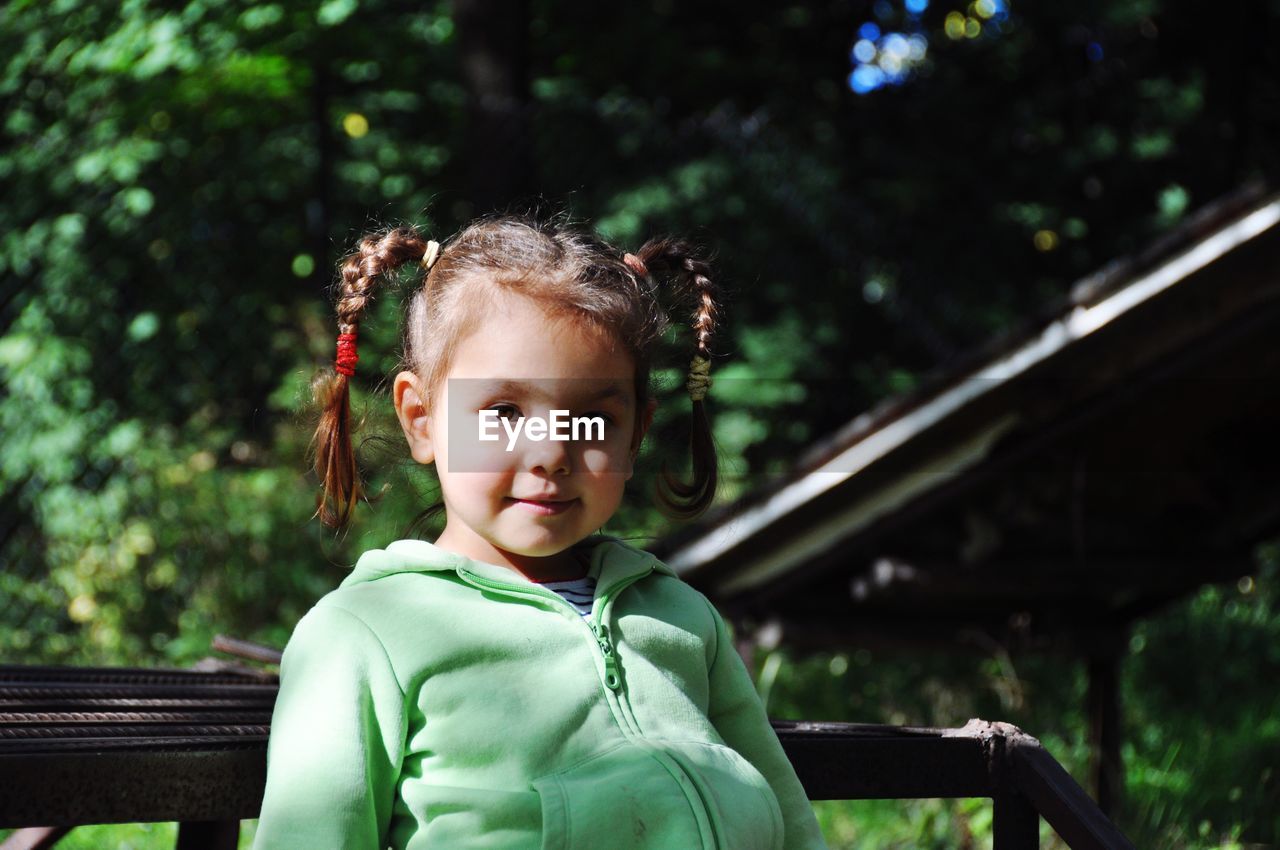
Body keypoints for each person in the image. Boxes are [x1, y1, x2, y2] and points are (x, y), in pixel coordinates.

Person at [252, 213, 829, 850]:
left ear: (636, 432)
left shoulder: (682, 616)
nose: (552, 451)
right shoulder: (364, 634)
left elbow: (787, 819)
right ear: (422, 420)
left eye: (592, 418)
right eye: (503, 412)